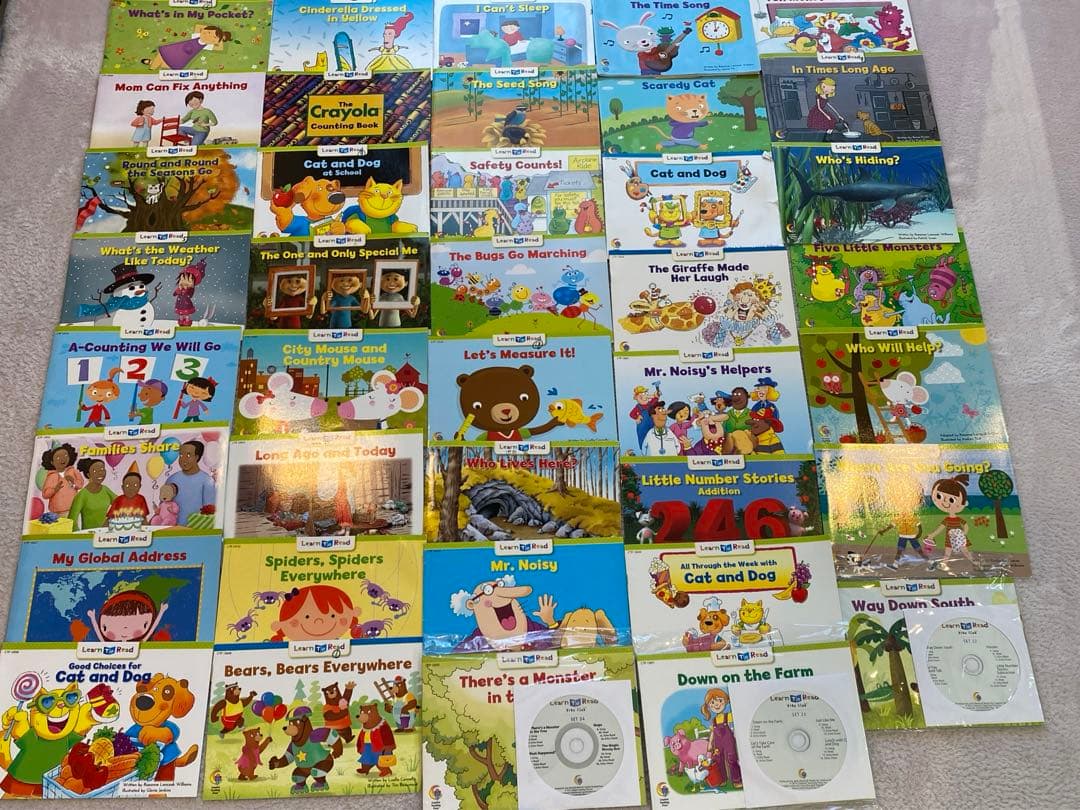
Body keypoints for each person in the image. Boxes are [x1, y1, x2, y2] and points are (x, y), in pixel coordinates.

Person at [140, 25, 232, 71]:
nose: (208, 36)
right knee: (162, 56)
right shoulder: (196, 35)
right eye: (208, 33)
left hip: (183, 57)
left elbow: (220, 47)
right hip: (176, 49)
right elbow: (199, 26)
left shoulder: (208, 45)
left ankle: (152, 64)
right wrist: (216, 31)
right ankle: (152, 67)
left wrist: (221, 37)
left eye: (213, 37)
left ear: (215, 41)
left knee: (169, 65)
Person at [165, 440, 216, 525]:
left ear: (197, 457)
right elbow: (163, 505)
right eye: (181, 455)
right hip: (173, 529)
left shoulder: (207, 481)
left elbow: (210, 511)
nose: (183, 459)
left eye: (188, 455)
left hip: (197, 529)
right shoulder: (172, 479)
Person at [68, 459, 116, 531]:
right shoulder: (82, 495)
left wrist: (110, 518)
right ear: (88, 474)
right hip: (89, 534)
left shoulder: (105, 490)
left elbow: (121, 503)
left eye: (102, 470)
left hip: (106, 533)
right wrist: (82, 535)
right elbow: (72, 522)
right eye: (95, 471)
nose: (100, 473)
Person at [39, 443, 82, 517]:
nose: (63, 459)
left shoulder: (73, 471)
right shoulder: (51, 476)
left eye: (65, 455)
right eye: (58, 457)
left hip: (73, 508)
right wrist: (54, 490)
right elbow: (45, 494)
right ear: (52, 462)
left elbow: (80, 484)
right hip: (58, 512)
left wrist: (73, 482)